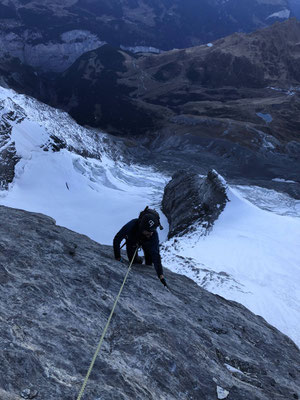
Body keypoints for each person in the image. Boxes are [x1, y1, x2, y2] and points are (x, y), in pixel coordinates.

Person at [113, 207, 167, 287]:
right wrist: (118, 256)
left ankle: (146, 263)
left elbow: (156, 254)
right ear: (143, 228)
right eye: (149, 232)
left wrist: (160, 275)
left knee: (149, 260)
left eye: (152, 232)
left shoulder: (153, 234)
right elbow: (117, 238)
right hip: (132, 240)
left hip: (146, 242)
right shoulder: (132, 225)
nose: (151, 234)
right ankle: (140, 260)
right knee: (133, 261)